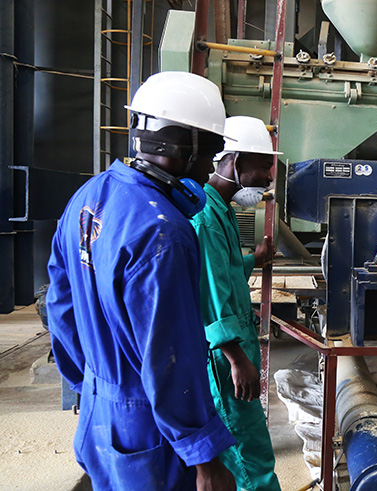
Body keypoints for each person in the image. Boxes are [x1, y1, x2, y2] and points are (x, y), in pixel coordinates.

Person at [46, 71, 237, 490]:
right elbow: (170, 356)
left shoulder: (89, 197)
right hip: (149, 426)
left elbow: (59, 307)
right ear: (180, 145)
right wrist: (204, 456)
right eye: (210, 153)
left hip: (100, 409)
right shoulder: (163, 231)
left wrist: (92, 384)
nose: (209, 169)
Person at [190, 115, 281, 491]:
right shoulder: (207, 217)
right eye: (263, 167)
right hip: (224, 354)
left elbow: (223, 269)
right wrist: (237, 359)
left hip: (236, 343)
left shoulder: (222, 209)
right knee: (250, 454)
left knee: (242, 451)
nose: (268, 178)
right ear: (237, 162)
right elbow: (211, 294)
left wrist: (253, 260)